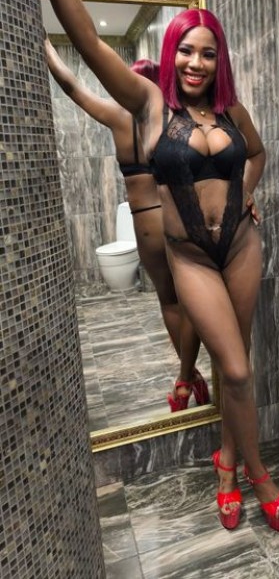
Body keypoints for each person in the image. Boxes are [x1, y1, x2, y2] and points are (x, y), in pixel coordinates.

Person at [28, 0, 279, 533]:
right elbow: (85, 35)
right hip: (189, 257)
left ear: (219, 59)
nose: (196, 62)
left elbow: (258, 153)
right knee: (235, 367)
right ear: (171, 53)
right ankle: (258, 473)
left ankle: (228, 465)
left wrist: (249, 191)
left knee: (236, 368)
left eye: (208, 52)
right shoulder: (149, 106)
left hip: (241, 245)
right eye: (186, 49)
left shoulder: (231, 111)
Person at [44, 38, 208, 411]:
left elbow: (72, 86)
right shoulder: (173, 119)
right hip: (179, 217)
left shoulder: (118, 117)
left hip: (145, 219)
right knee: (192, 302)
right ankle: (187, 376)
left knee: (169, 300)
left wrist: (49, 50)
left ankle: (188, 379)